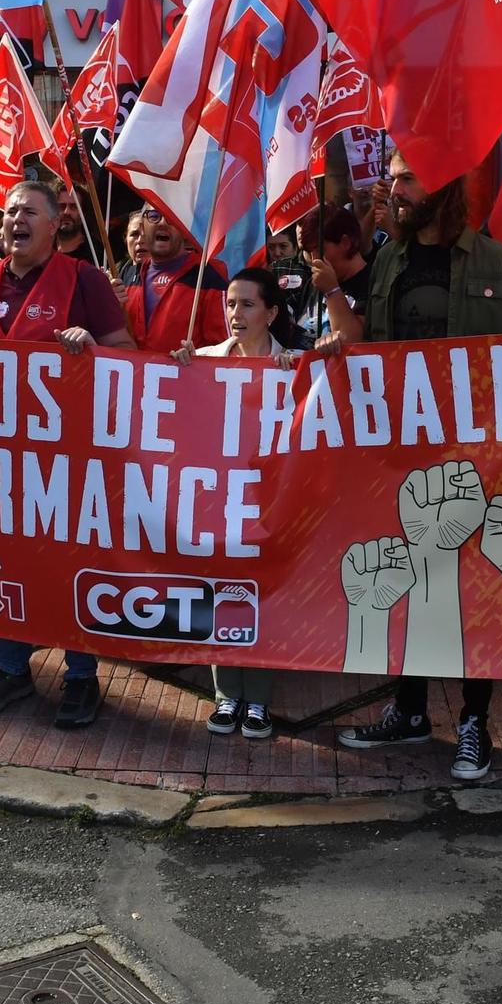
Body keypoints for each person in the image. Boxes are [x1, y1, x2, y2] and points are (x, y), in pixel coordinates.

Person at [324, 152, 502, 781]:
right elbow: (370, 347)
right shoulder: (389, 257)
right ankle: (410, 709)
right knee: (413, 580)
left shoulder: (493, 259)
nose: (395, 188)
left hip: (480, 455)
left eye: (408, 176)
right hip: (405, 453)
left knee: (478, 588)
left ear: (442, 186)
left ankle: (474, 720)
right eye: (392, 176)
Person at [0, 179, 135, 728]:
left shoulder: (84, 279)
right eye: (10, 211)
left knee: (70, 560)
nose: (15, 218)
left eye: (28, 211)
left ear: (54, 224)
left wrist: (90, 348)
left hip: (67, 458)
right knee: (9, 559)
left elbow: (129, 355)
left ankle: (81, 676)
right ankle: (12, 667)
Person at [174, 267, 301, 741]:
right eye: (230, 304)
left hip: (271, 504)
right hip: (222, 501)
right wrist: (182, 370)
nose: (234, 314)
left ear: (271, 312)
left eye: (247, 305)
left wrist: (304, 373)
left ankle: (259, 701)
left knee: (264, 592)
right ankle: (226, 694)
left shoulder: (294, 364)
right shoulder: (205, 360)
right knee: (223, 589)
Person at [122, 206, 227, 353]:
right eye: (154, 215)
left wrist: (196, 358)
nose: (163, 222)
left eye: (172, 216)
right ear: (143, 226)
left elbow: (224, 350)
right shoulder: (127, 275)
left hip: (188, 376)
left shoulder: (208, 275)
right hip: (133, 375)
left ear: (184, 228)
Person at [306, 206, 371, 336]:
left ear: (345, 243)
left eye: (320, 250)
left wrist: (332, 291)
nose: (314, 260)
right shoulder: (314, 283)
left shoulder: (374, 282)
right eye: (309, 252)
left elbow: (353, 341)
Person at [55, 187, 90, 258]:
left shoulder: (96, 254)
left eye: (74, 207)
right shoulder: (40, 251)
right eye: (62, 206)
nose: (67, 212)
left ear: (83, 213)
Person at [117, 211, 149, 290]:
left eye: (147, 234)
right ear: (125, 238)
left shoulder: (168, 276)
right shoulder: (116, 275)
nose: (140, 240)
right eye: (135, 234)